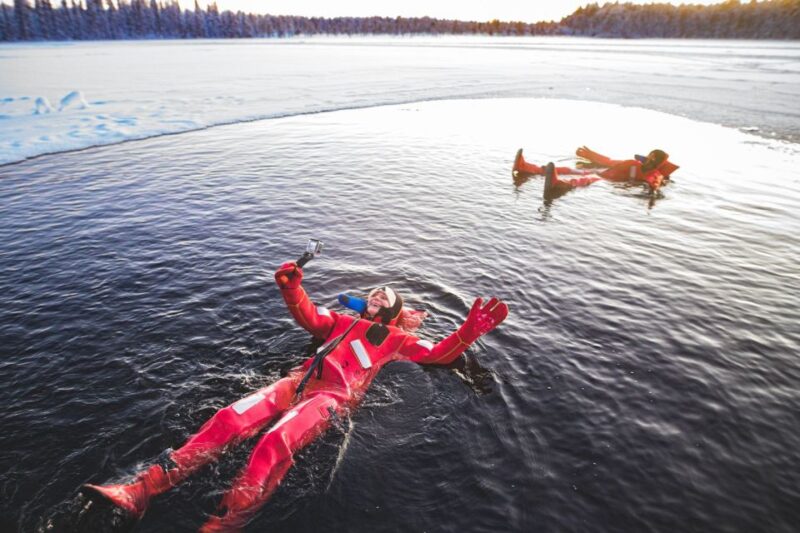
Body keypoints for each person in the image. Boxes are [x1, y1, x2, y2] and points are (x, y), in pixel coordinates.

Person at [83, 261, 509, 531]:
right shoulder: (339, 321)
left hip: (331, 398)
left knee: (275, 441)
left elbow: (437, 355)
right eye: (374, 292)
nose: (377, 295)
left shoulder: (396, 340)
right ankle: (140, 490)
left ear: (395, 311)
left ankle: (224, 523)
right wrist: (292, 288)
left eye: (386, 296)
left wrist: (466, 333)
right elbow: (308, 314)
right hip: (296, 382)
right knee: (229, 418)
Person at [512, 146, 679, 199]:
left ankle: (558, 184)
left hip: (607, 180)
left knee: (587, 179)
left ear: (658, 164)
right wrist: (590, 154)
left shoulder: (653, 175)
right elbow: (610, 161)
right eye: (650, 157)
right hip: (603, 172)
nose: (649, 161)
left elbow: (655, 183)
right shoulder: (633, 162)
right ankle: (526, 168)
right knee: (571, 170)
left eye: (654, 160)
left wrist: (653, 192)